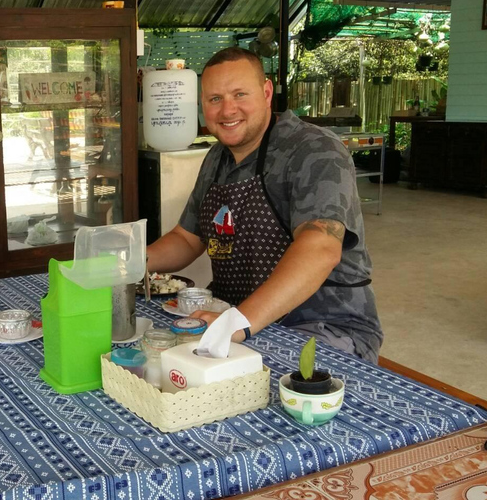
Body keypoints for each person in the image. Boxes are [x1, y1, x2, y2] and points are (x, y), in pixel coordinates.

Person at [146, 47, 382, 362]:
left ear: (267, 92)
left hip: (323, 323)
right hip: (237, 316)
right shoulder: (216, 158)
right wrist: (124, 262)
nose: (227, 110)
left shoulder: (315, 151)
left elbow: (320, 247)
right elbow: (188, 238)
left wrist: (239, 322)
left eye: (239, 94)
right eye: (215, 99)